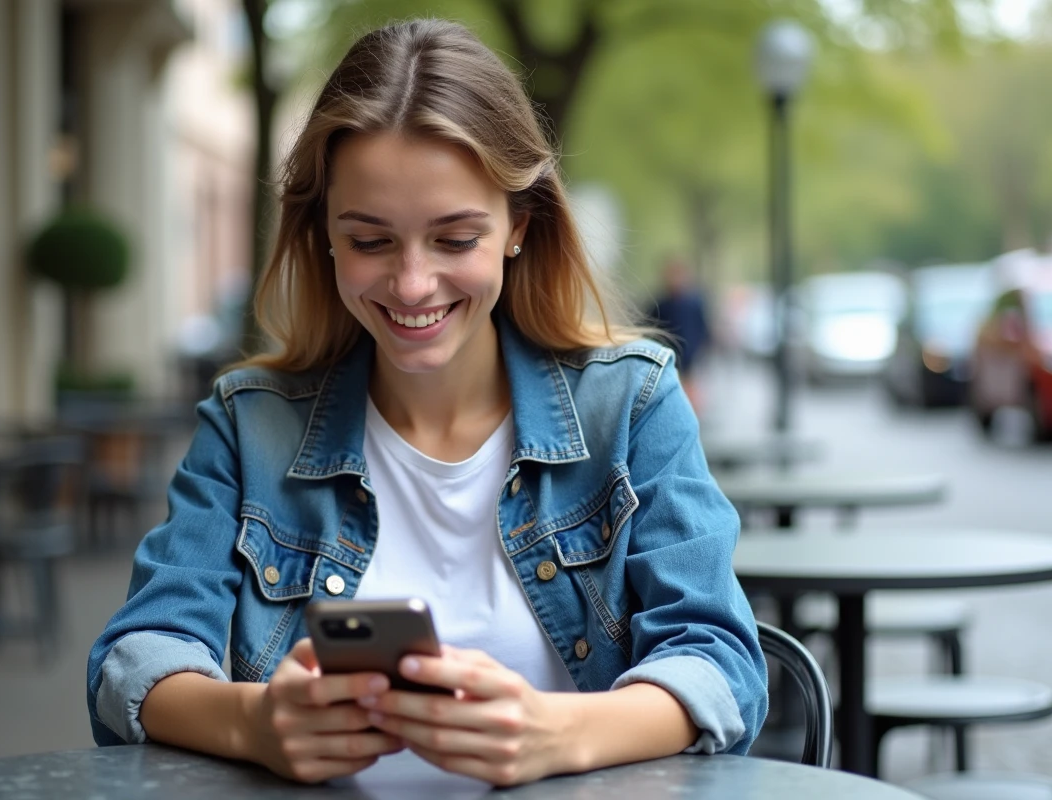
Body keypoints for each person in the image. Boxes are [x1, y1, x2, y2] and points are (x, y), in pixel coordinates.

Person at [87, 19, 766, 788]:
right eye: (372, 241)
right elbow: (134, 660)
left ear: (518, 225)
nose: (412, 285)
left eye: (454, 239)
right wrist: (253, 723)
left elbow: (723, 663)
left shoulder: (632, 404)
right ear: (325, 239)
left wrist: (558, 733)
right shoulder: (250, 426)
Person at [645, 257, 712, 408]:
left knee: (689, 385)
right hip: (668, 352)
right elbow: (651, 326)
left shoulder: (694, 302)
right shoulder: (661, 303)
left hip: (689, 352)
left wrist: (701, 346)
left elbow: (702, 326)